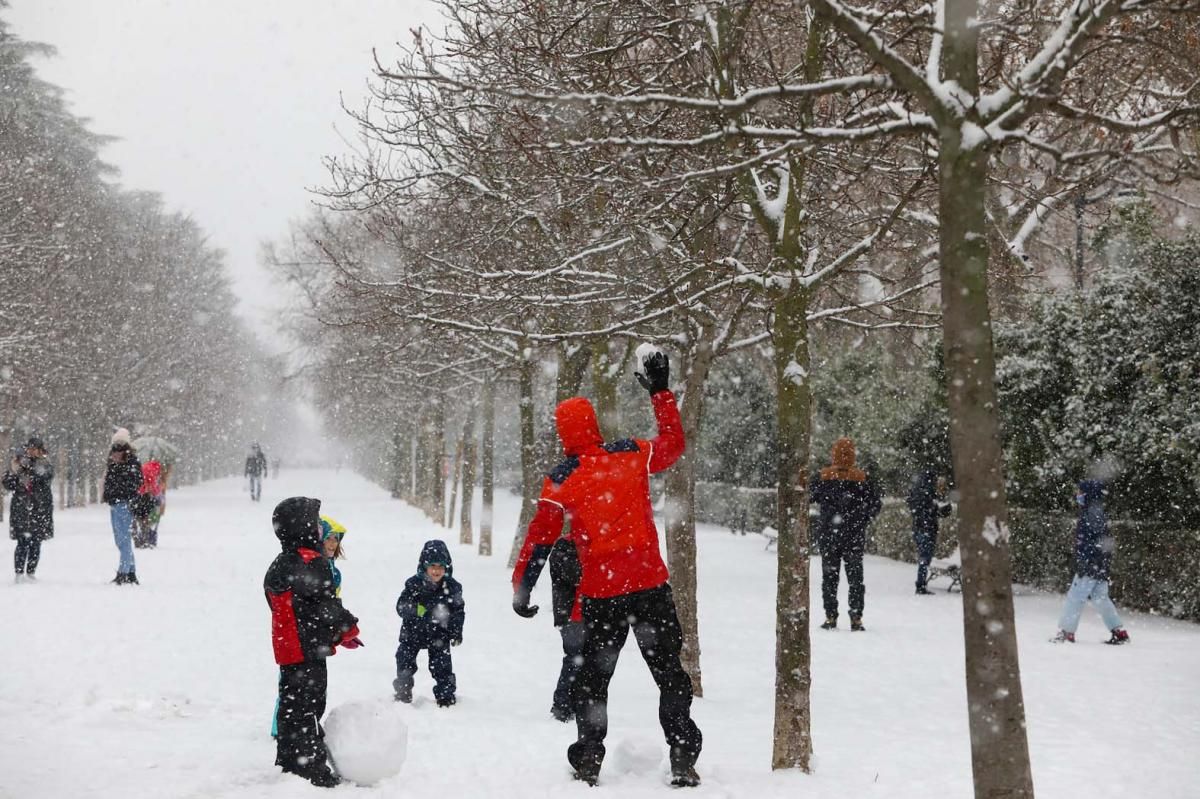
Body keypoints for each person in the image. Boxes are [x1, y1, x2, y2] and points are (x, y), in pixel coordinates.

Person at [511, 349, 702, 788]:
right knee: (670, 674)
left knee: (594, 681)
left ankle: (588, 759)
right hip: (650, 584)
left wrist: (523, 589)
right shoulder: (631, 454)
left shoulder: (562, 478)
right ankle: (682, 756)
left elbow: (540, 537)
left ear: (563, 435)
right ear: (595, 426)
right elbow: (673, 445)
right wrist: (660, 393)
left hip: (602, 594)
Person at [264, 496, 362, 788]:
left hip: (288, 646)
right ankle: (312, 766)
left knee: (291, 704)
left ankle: (290, 758)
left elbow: (296, 605)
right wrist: (347, 629)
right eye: (316, 526)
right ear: (304, 527)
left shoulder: (281, 562)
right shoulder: (311, 562)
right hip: (307, 649)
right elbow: (324, 605)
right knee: (309, 705)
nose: (321, 532)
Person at [270, 513, 351, 740]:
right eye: (329, 539)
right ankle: (283, 728)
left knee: (314, 685)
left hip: (318, 633)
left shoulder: (333, 570)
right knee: (294, 683)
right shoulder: (306, 564)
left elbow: (331, 601)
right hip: (300, 634)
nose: (333, 544)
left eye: (337, 540)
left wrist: (338, 627)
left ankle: (309, 724)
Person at [512, 530, 586, 722]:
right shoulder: (565, 546)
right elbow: (577, 575)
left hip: (583, 614)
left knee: (584, 660)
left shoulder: (585, 545)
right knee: (575, 658)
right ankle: (562, 706)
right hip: (571, 616)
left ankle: (576, 704)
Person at [811, 437, 882, 631]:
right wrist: (862, 519)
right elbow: (876, 505)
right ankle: (856, 617)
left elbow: (808, 497)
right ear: (853, 455)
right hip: (854, 537)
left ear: (833, 454)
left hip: (829, 536)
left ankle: (830, 616)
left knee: (829, 579)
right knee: (856, 579)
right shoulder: (862, 479)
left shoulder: (823, 477)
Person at [1052, 480, 1131, 645]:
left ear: (1088, 494)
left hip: (1090, 565)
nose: (1078, 495)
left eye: (1081, 492)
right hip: (1099, 565)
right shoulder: (1096, 512)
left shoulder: (1091, 514)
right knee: (1100, 598)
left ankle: (1067, 632)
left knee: (1075, 597)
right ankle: (1119, 631)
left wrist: (1085, 562)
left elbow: (1092, 543)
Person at [393, 539, 464, 707]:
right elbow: (401, 606)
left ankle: (445, 695)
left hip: (439, 634)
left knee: (442, 667)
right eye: (432, 566)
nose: (436, 570)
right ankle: (403, 692)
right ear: (424, 567)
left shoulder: (452, 587)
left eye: (440, 566)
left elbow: (458, 611)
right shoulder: (413, 584)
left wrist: (456, 632)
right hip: (412, 632)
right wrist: (418, 610)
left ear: (447, 567)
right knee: (404, 662)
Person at [4, 436, 54, 583]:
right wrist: (15, 471)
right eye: (29, 448)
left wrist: (30, 469)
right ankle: (19, 573)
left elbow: (44, 478)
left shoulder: (45, 464)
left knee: (36, 541)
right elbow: (8, 484)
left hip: (39, 509)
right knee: (22, 541)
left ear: (40, 450)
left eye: (34, 448)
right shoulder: (18, 463)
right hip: (22, 508)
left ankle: (31, 572)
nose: (31, 451)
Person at [103, 428, 142, 585]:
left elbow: (135, 483)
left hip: (124, 503)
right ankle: (131, 572)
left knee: (123, 539)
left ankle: (124, 572)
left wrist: (121, 475)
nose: (117, 451)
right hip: (114, 503)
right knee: (120, 539)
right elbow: (109, 480)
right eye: (115, 447)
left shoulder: (132, 462)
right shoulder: (112, 461)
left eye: (120, 447)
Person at [907, 469, 951, 594]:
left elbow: (918, 510)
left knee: (923, 557)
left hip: (918, 529)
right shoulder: (929, 493)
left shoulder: (916, 492)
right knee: (925, 558)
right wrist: (942, 509)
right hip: (928, 529)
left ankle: (921, 583)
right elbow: (935, 512)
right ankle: (920, 585)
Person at [132, 459, 166, 549]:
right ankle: (149, 540)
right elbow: (152, 487)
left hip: (137, 497)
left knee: (139, 519)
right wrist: (158, 491)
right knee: (150, 520)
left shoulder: (145, 468)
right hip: (147, 498)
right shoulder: (153, 471)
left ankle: (139, 539)